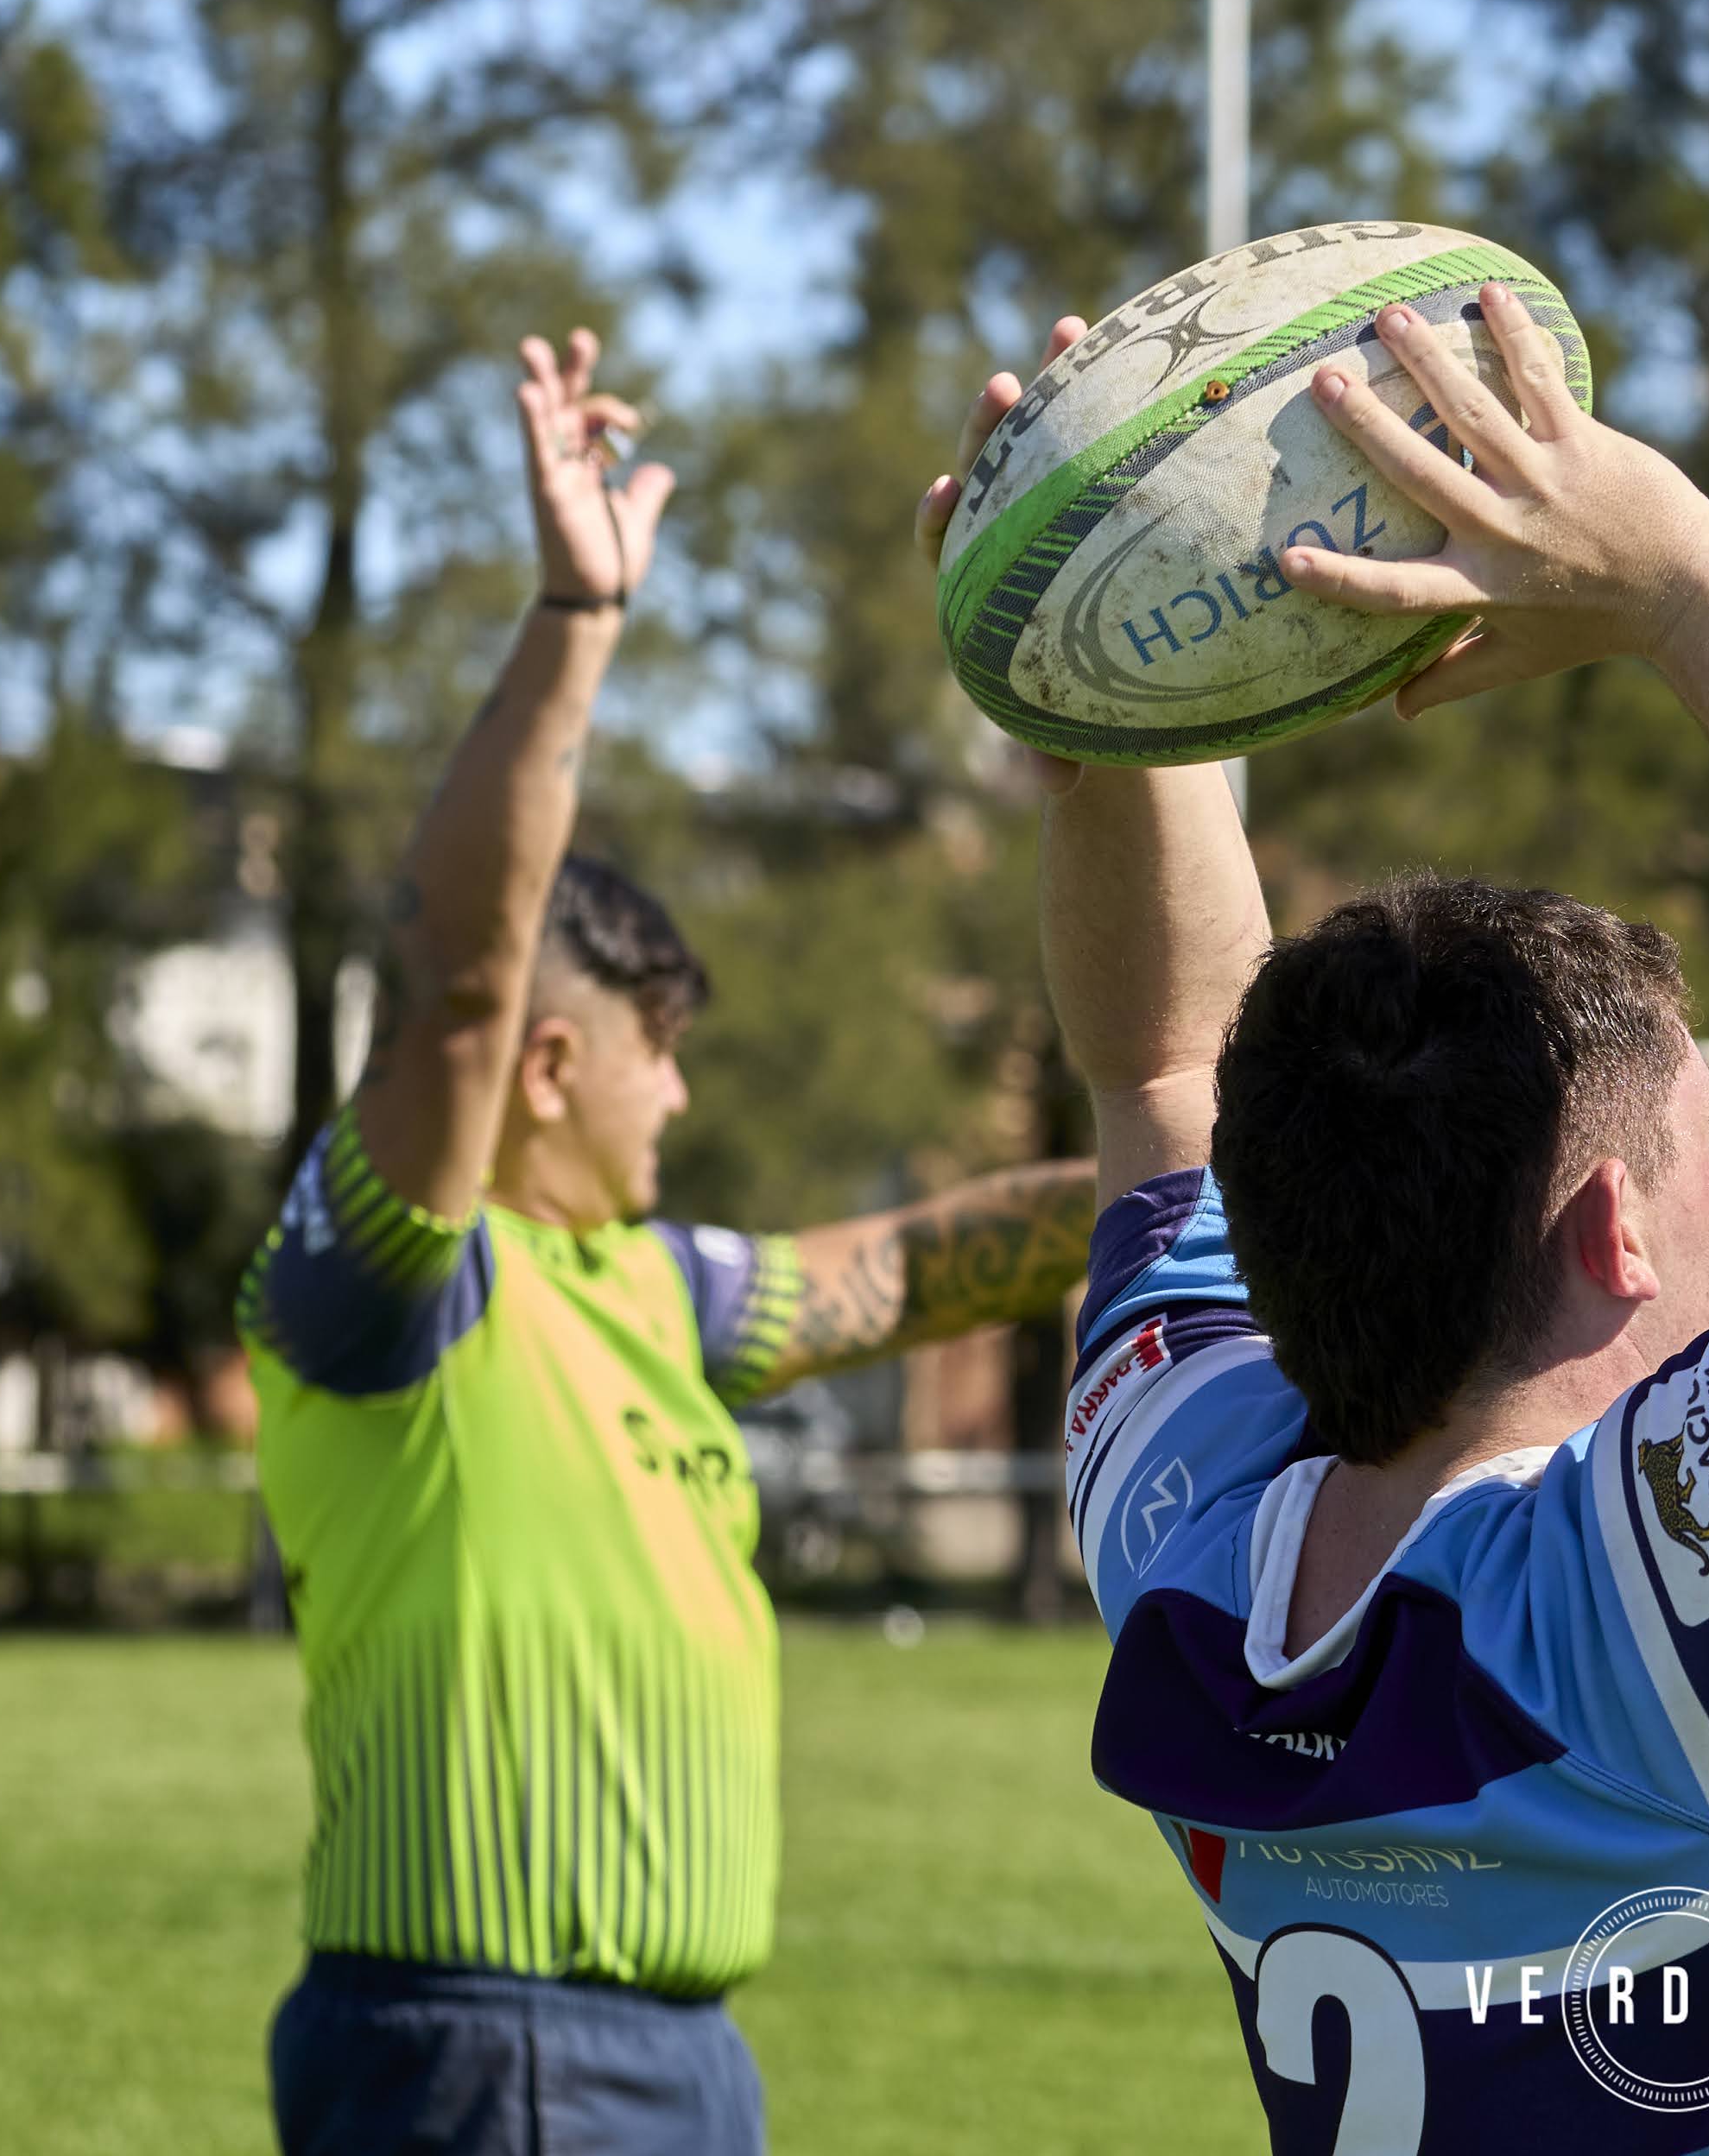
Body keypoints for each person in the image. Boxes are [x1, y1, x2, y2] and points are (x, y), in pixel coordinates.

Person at [915, 284, 1709, 2152]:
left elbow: (1163, 1066)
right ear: (1611, 1234)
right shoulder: (1667, 1629)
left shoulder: (1189, 1546)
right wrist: (1680, 575)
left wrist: (1110, 703)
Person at [249, 331, 1102, 2156]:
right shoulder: (397, 1290)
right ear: (552, 1065)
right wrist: (576, 615)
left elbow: (921, 1264)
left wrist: (1210, 1171)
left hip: (678, 2060)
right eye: (662, 1053)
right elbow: (461, 976)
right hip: (490, 2054)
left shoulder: (662, 1290)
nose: (683, 1099)